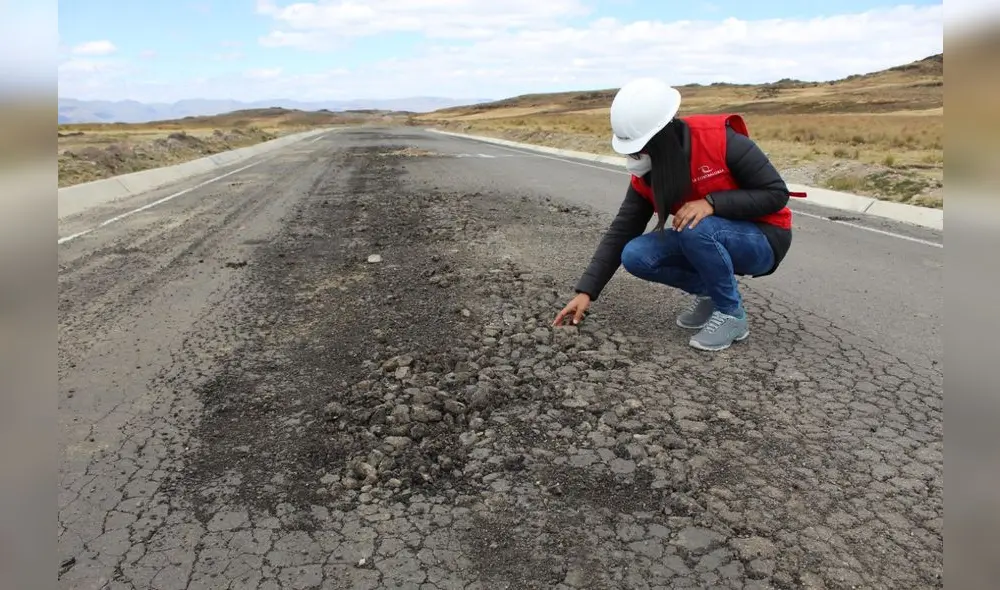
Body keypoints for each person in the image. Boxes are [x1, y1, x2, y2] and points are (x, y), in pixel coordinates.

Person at [552, 77, 804, 351]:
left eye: (640, 149)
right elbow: (622, 230)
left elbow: (776, 194)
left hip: (764, 239)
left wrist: (711, 203)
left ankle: (732, 315)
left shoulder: (720, 141)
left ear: (661, 138)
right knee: (636, 254)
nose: (635, 158)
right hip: (710, 235)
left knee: (697, 226)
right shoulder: (649, 173)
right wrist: (586, 291)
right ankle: (711, 293)